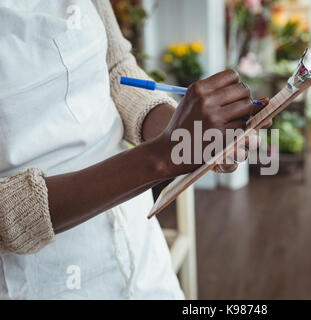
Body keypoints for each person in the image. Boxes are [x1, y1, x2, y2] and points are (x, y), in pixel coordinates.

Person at [0, 0, 267, 299]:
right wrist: (161, 157)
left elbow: (116, 70)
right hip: (40, 280)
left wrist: (185, 138)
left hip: (137, 244)